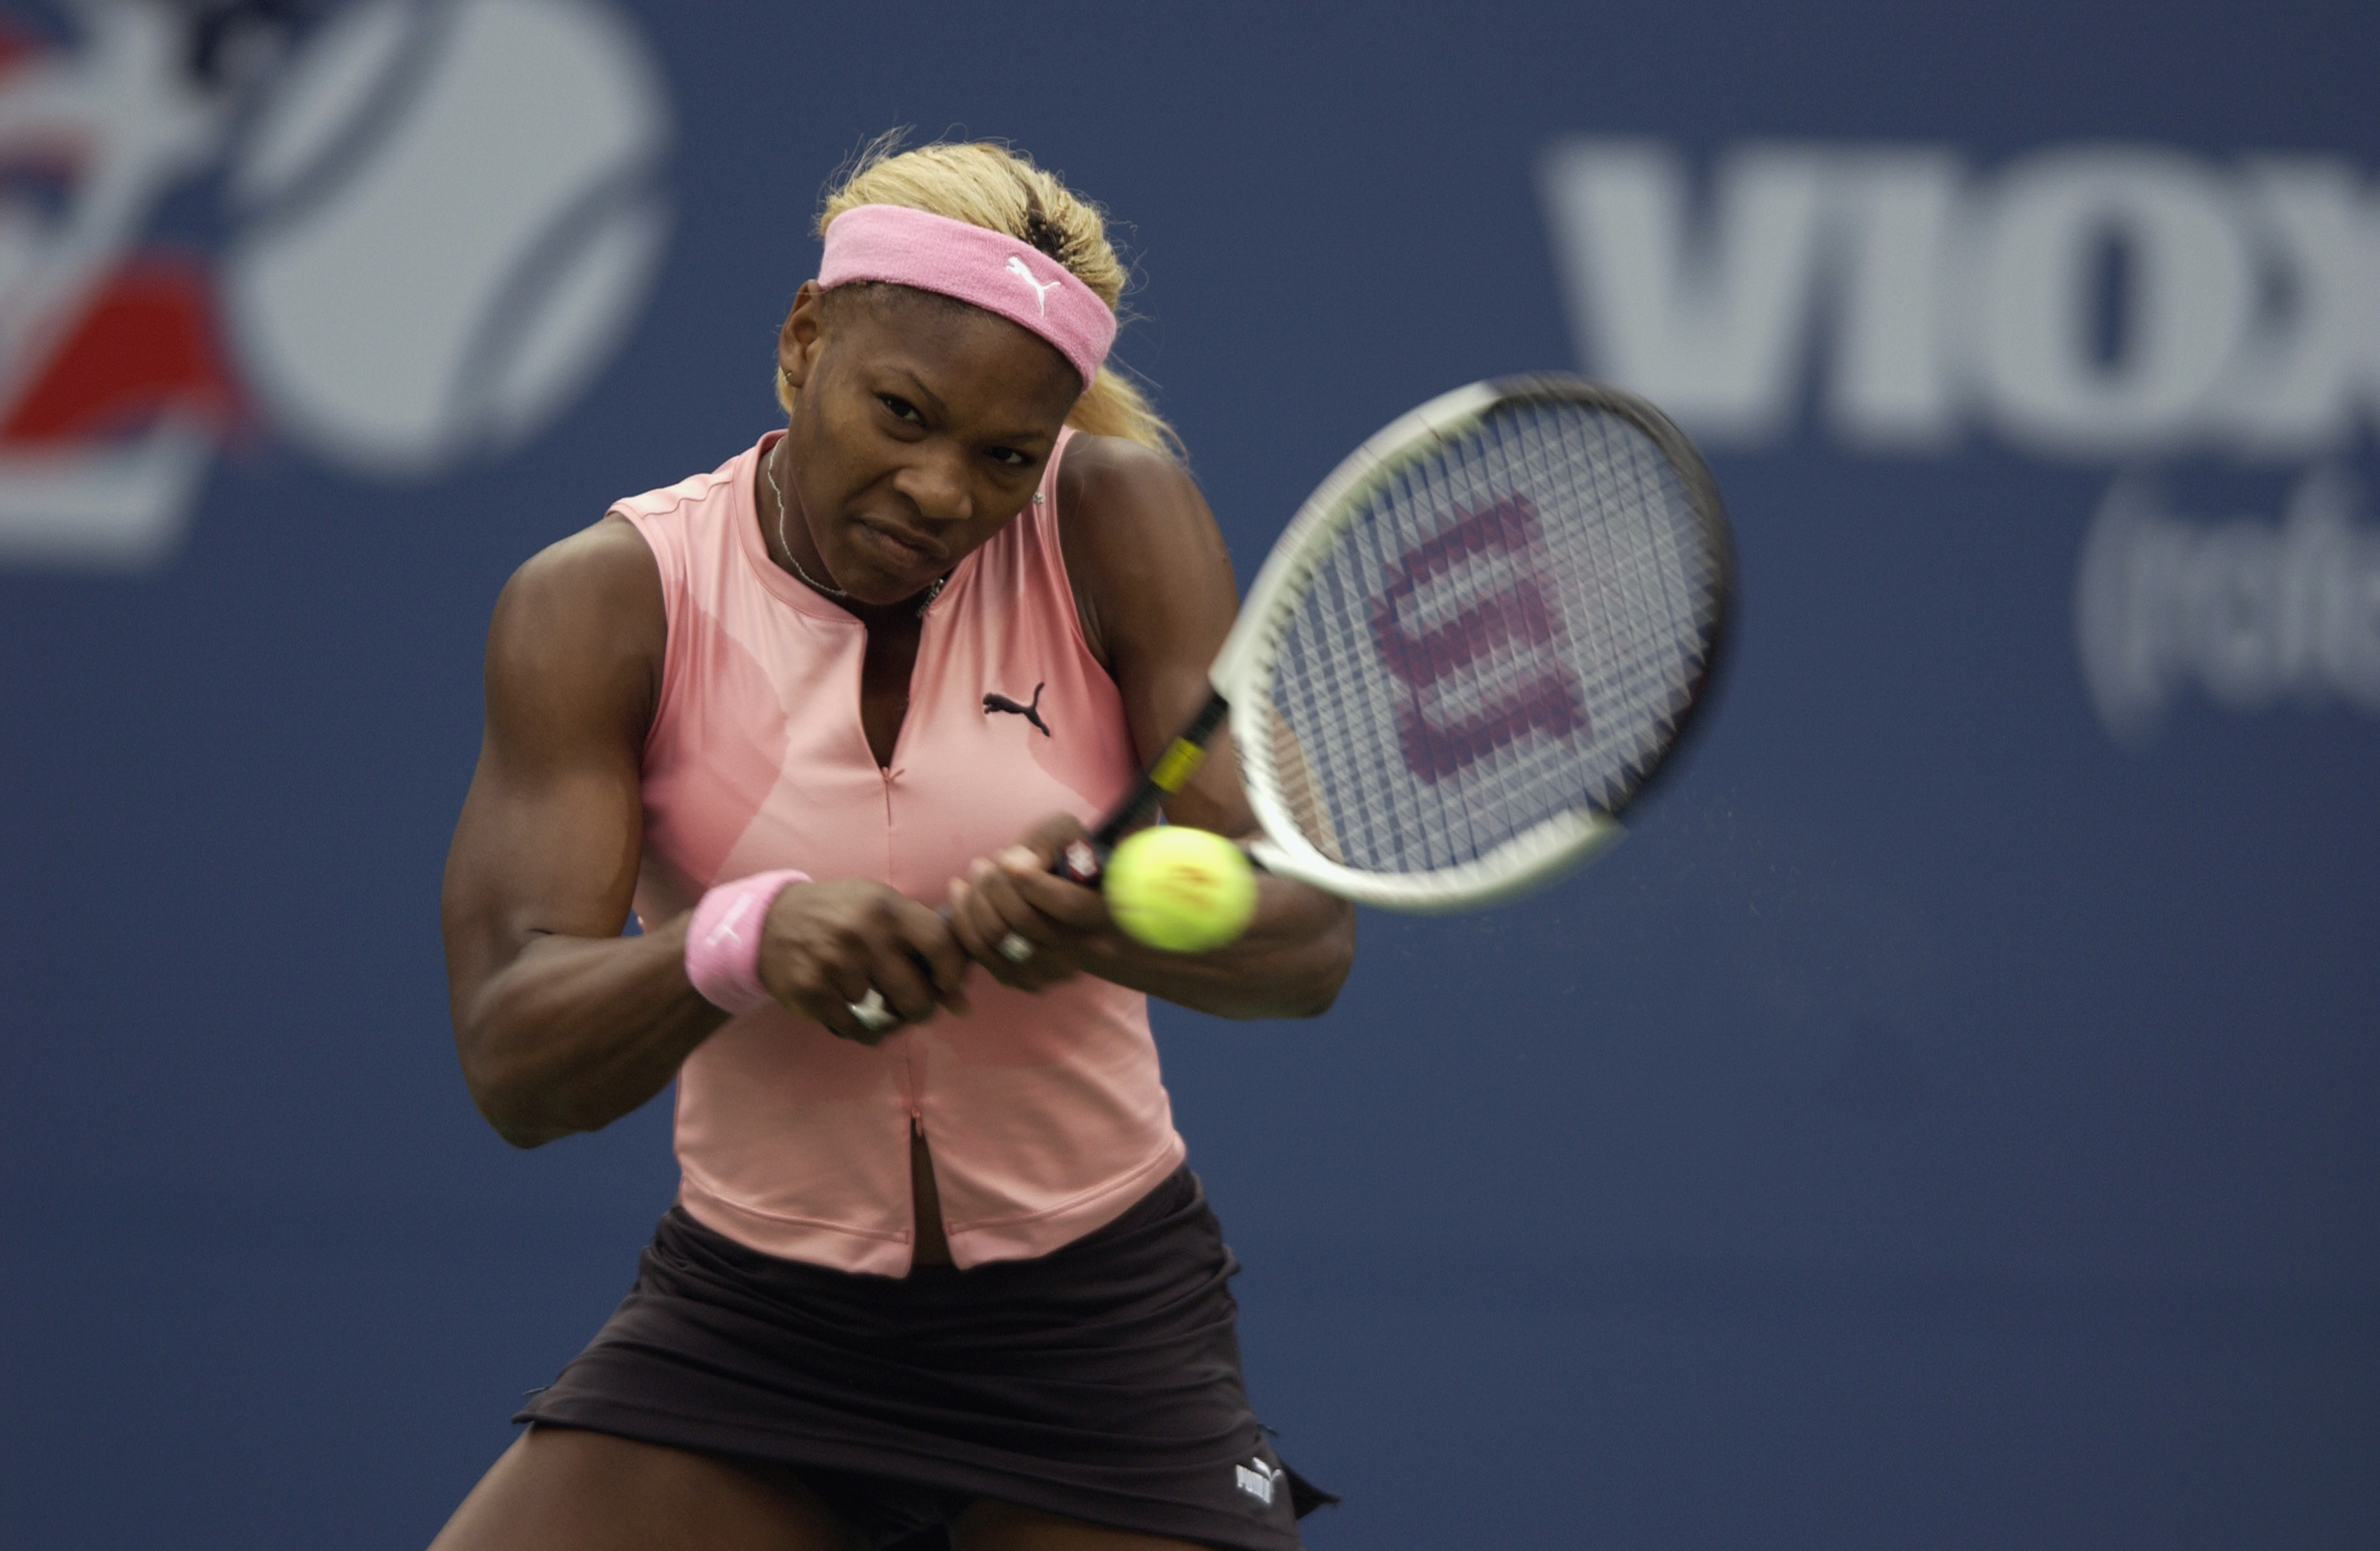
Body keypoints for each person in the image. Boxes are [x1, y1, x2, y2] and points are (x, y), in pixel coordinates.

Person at [432, 137, 1356, 1551]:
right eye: (902, 414)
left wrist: (1100, 924)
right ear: (805, 343)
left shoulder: (1120, 520)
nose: (940, 492)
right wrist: (743, 940)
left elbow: (1306, 941)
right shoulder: (606, 602)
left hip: (1096, 1329)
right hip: (755, 1323)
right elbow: (513, 1057)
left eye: (1003, 456)